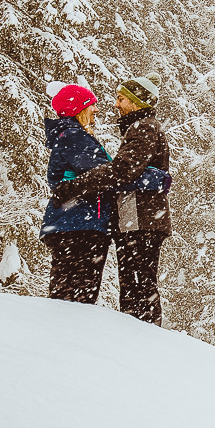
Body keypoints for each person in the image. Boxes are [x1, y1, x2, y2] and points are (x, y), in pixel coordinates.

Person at [52, 76, 171, 325]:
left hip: (139, 220)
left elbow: (121, 171)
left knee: (137, 285)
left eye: (121, 99)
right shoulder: (140, 128)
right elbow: (126, 171)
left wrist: (74, 187)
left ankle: (142, 337)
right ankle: (139, 335)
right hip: (137, 219)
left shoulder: (143, 128)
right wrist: (153, 177)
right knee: (136, 284)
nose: (116, 105)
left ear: (136, 102)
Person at [40, 82, 114, 303]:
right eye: (91, 105)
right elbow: (105, 174)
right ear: (78, 109)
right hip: (79, 225)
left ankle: (63, 331)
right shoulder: (73, 136)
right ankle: (68, 334)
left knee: (66, 291)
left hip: (71, 224)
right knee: (79, 296)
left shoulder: (70, 136)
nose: (96, 110)